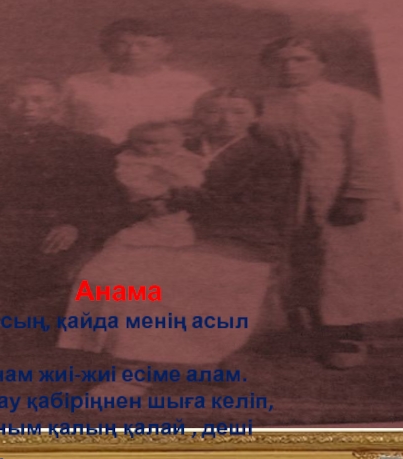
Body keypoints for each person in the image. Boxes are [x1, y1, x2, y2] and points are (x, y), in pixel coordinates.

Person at [58, 89, 296, 398]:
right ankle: (122, 362)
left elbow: (255, 209)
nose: (225, 120)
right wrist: (140, 205)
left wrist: (176, 198)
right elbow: (117, 188)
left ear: (256, 117)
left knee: (163, 284)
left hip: (235, 241)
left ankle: (145, 369)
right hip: (154, 232)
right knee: (106, 277)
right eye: (213, 111)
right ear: (197, 115)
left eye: (238, 112)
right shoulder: (165, 142)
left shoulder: (268, 157)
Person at [0, 77, 130, 351]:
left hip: (56, 232)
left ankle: (35, 357)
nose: (28, 107)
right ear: (0, 103)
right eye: (16, 99)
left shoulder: (88, 146)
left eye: (39, 99)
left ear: (58, 104)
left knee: (53, 279)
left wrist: (76, 225)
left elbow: (109, 198)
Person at [256, 36, 403, 370]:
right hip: (286, 194)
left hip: (338, 191)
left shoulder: (351, 100)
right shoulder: (265, 102)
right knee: (299, 260)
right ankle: (310, 329)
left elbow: (372, 151)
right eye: (280, 61)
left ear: (321, 64)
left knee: (344, 264)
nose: (290, 67)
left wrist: (358, 195)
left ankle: (348, 334)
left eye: (301, 59)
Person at [65, 19, 212, 144]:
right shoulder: (78, 84)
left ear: (165, 49)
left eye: (144, 45)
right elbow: (62, 128)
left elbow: (208, 129)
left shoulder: (192, 85)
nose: (133, 51)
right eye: (122, 44)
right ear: (106, 48)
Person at [110, 121, 207, 248]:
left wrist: (181, 182)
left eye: (167, 142)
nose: (158, 147)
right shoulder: (131, 159)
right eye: (148, 143)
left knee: (173, 216)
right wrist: (156, 191)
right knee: (157, 214)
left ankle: (174, 235)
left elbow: (195, 175)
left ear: (181, 141)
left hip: (178, 194)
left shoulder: (183, 156)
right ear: (133, 143)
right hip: (146, 194)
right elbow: (128, 178)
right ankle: (162, 234)